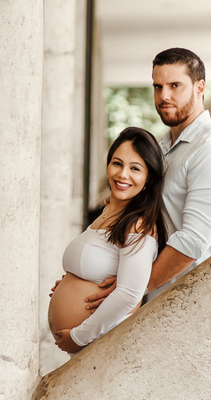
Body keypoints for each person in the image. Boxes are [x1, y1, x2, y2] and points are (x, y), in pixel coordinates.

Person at [80, 47, 211, 321]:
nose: (163, 96)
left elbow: (192, 242)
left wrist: (135, 289)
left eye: (175, 86)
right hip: (158, 302)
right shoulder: (162, 146)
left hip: (188, 307)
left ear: (200, 87)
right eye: (158, 86)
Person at [48, 126, 169, 354]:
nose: (123, 174)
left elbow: (130, 294)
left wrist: (77, 336)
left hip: (99, 345)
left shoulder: (138, 225)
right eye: (117, 163)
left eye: (135, 168)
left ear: (148, 178)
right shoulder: (105, 214)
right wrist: (71, 283)